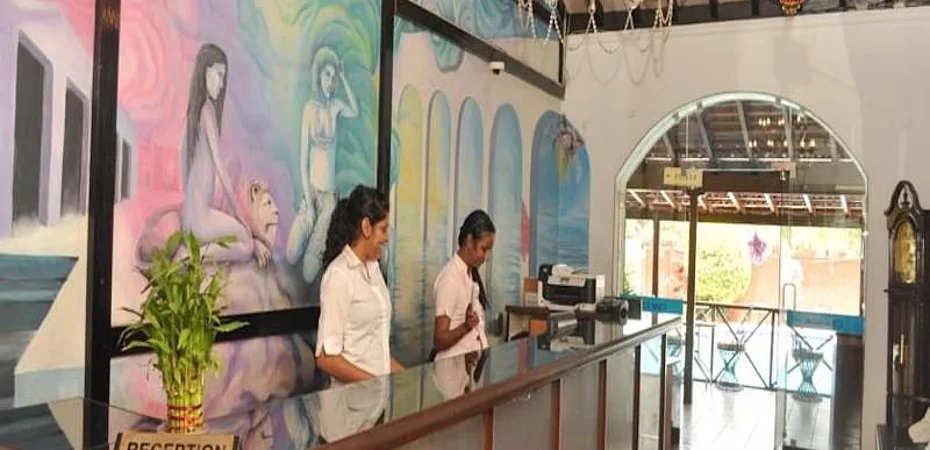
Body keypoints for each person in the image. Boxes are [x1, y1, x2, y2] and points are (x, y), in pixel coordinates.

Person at [178, 43, 268, 266]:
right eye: (218, 75)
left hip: (191, 217)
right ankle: (192, 256)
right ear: (205, 71)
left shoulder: (193, 114)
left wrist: (187, 207)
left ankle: (194, 252)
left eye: (223, 77)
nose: (221, 83)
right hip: (200, 219)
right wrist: (239, 216)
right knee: (246, 243)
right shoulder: (207, 110)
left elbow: (181, 153)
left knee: (243, 240)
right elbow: (220, 168)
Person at [315, 184, 404, 383]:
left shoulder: (374, 270)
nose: (387, 238)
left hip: (377, 398)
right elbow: (326, 358)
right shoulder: (339, 275)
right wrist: (374, 385)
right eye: (383, 229)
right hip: (352, 401)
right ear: (366, 227)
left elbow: (374, 351)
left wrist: (408, 379)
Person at [286, 46, 359, 283]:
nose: (331, 81)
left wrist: (344, 77)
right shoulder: (309, 109)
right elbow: (303, 161)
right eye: (327, 75)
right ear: (318, 75)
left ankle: (316, 242)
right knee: (290, 254)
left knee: (308, 274)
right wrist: (309, 204)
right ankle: (307, 224)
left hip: (329, 201)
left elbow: (355, 111)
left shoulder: (336, 106)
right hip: (311, 194)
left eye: (334, 77)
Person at [432, 210, 496, 361]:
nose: (486, 257)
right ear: (469, 241)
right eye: (484, 249)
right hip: (451, 369)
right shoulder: (450, 279)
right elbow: (439, 340)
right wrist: (466, 327)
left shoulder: (469, 275)